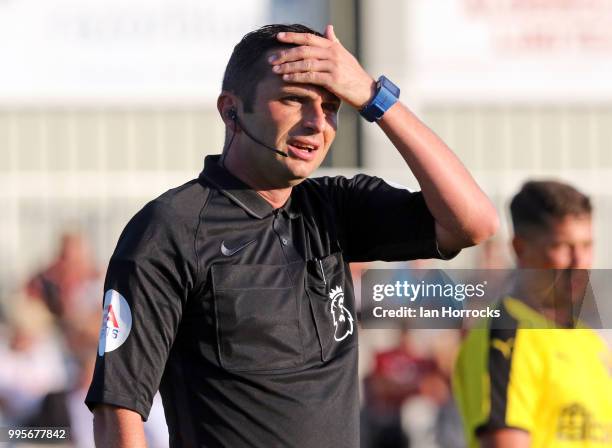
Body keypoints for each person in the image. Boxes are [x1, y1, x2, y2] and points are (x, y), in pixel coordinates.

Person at [86, 23, 498, 447]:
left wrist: (375, 96)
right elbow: (118, 408)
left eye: (333, 106)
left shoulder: (337, 208)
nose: (317, 124)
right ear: (231, 110)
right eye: (294, 100)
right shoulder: (170, 228)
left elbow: (475, 222)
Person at [453, 180, 612, 447]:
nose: (579, 262)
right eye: (563, 246)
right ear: (520, 248)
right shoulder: (505, 336)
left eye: (586, 245)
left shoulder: (588, 340)